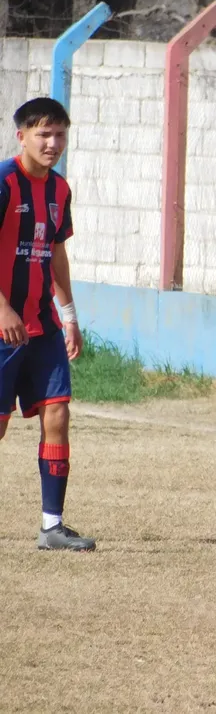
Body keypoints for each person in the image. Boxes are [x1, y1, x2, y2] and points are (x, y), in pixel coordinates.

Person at [0, 97, 93, 551]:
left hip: (43, 326)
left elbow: (55, 252)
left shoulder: (59, 190)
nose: (53, 143)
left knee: (58, 412)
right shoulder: (3, 182)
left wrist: (69, 315)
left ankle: (52, 526)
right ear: (21, 136)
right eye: (43, 134)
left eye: (59, 134)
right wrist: (3, 308)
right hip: (1, 327)